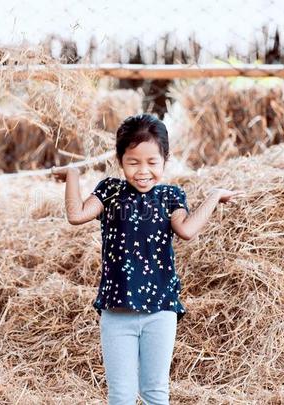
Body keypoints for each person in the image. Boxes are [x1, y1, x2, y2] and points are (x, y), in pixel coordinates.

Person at [52, 113, 243, 404]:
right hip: (117, 313)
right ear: (120, 160)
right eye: (133, 162)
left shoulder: (170, 196)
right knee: (122, 395)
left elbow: (187, 230)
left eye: (152, 162)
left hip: (160, 311)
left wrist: (214, 197)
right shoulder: (110, 191)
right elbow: (76, 215)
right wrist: (74, 176)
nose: (143, 171)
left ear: (165, 159)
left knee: (155, 392)